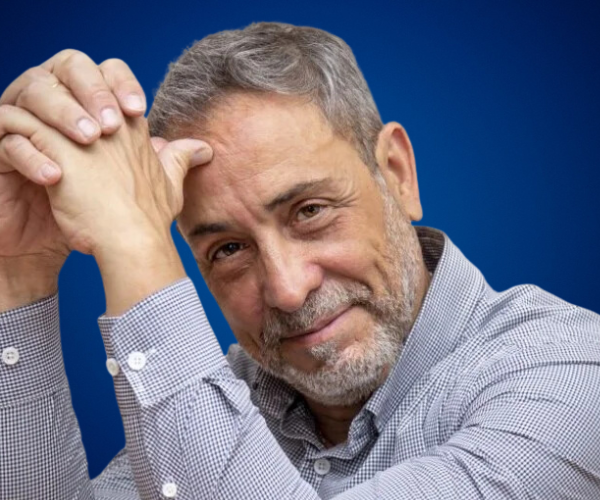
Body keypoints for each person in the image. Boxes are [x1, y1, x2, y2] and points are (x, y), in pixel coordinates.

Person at [1, 21, 599, 499]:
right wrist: (18, 273)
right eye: (228, 249)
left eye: (309, 211)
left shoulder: (571, 376)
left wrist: (134, 242)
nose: (287, 290)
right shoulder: (224, 403)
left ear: (396, 174)